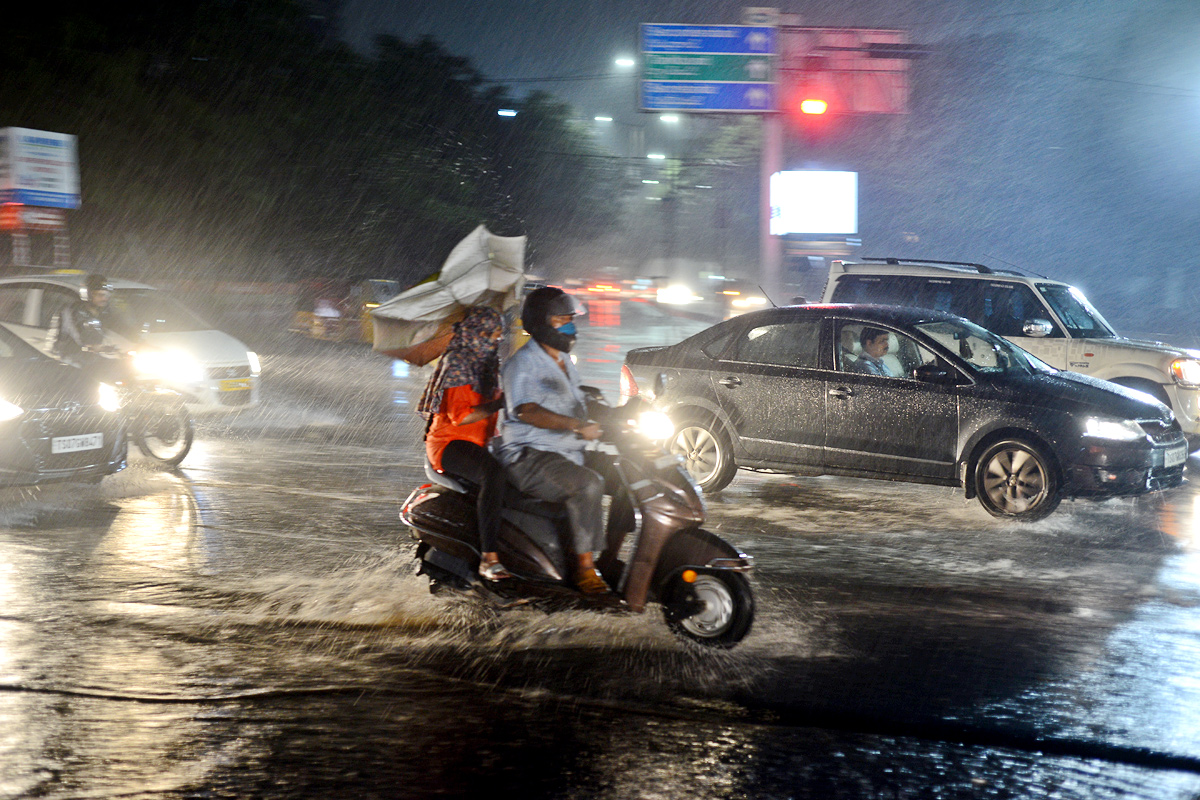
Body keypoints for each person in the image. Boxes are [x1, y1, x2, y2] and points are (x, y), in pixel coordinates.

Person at [493, 286, 611, 595]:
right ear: (543, 322)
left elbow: (577, 399)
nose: (571, 326)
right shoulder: (522, 364)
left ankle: (610, 556)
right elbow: (527, 411)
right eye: (563, 320)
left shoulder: (563, 361)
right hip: (529, 456)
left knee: (626, 474)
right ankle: (585, 569)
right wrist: (576, 425)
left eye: (571, 319)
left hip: (565, 451)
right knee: (588, 484)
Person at [417, 306, 512, 581]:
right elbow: (462, 417)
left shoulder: (486, 363)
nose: (496, 341)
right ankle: (489, 558)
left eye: (498, 335)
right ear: (476, 333)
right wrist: (499, 403)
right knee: (493, 474)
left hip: (479, 441)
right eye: (491, 335)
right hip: (450, 444)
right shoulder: (459, 363)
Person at [54, 274, 118, 371]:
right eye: (100, 295)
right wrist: (94, 346)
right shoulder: (71, 311)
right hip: (71, 361)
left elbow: (119, 327)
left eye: (106, 295)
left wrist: (137, 341)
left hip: (94, 360)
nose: (104, 299)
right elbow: (79, 337)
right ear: (88, 294)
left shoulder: (104, 312)